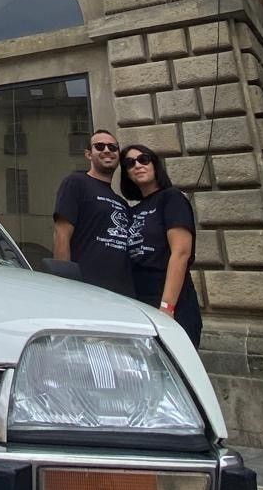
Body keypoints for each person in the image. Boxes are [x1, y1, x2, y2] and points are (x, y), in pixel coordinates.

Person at [120, 144, 203, 348]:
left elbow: (181, 253)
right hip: (141, 301)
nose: (137, 165)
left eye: (143, 159)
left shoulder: (171, 198)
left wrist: (167, 307)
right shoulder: (133, 210)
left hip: (171, 301)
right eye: (129, 163)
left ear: (155, 164)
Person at [52, 130, 134, 294]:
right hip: (86, 289)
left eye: (112, 147)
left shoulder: (122, 203)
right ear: (88, 154)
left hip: (122, 293)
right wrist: (64, 285)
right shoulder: (76, 183)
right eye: (100, 146)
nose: (107, 150)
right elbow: (61, 234)